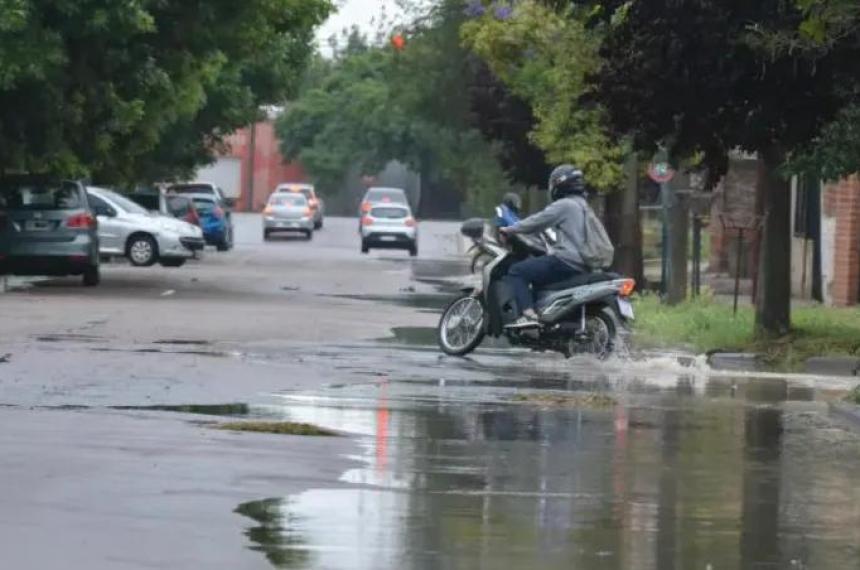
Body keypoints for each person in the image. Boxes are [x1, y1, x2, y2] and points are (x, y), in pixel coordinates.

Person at [500, 165, 590, 328]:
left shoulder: (565, 205)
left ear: (559, 184)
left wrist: (510, 229)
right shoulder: (582, 205)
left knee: (517, 271)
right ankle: (546, 317)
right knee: (538, 277)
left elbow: (539, 220)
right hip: (582, 261)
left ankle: (528, 314)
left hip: (566, 260)